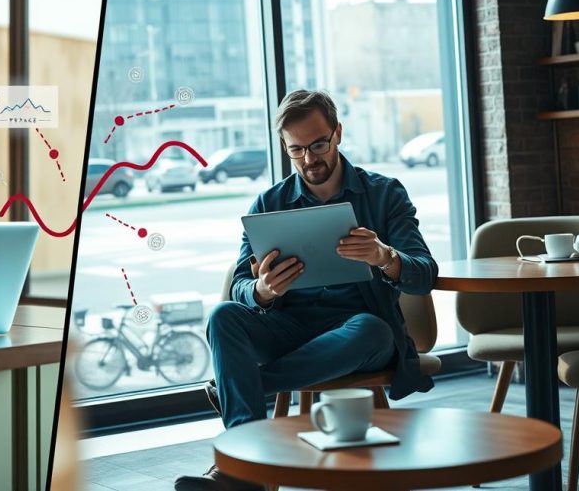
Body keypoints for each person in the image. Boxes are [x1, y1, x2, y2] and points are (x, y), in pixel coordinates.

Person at [175, 90, 437, 491]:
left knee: (371, 328)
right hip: (289, 328)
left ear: (338, 133)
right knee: (223, 316)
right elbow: (240, 288)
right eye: (296, 150)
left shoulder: (385, 193)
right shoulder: (270, 202)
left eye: (318, 144)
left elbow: (424, 273)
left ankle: (241, 399)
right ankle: (246, 468)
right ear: (285, 147)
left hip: (360, 333)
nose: (310, 159)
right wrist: (262, 290)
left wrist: (385, 256)